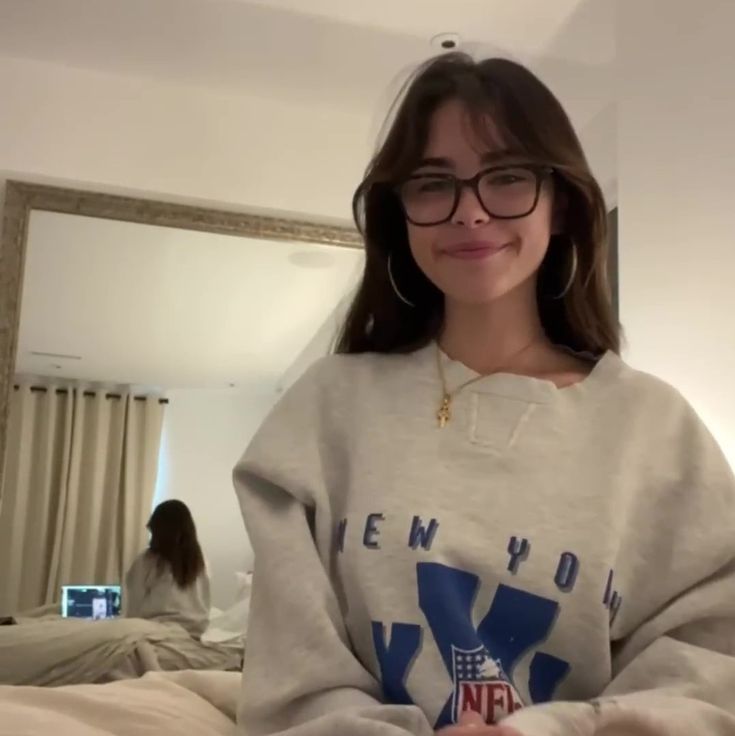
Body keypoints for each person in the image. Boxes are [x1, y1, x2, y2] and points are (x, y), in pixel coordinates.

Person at [233, 53, 735, 736]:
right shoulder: (324, 409)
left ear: (559, 204)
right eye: (433, 184)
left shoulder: (654, 428)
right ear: (399, 213)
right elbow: (292, 680)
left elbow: (707, 676)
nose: (469, 214)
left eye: (505, 178)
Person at [124, 499, 210, 638]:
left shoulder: (147, 560)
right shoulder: (201, 562)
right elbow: (205, 602)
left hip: (153, 632)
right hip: (192, 635)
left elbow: (134, 606)